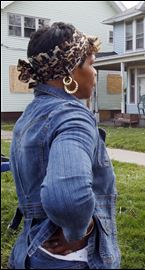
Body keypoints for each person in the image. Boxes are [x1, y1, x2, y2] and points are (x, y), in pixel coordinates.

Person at [8, 22, 120, 269]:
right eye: (91, 63)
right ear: (69, 71)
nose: (95, 72)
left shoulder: (30, 114)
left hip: (32, 249)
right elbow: (67, 198)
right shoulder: (72, 116)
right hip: (73, 259)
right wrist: (81, 228)